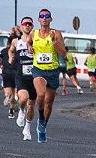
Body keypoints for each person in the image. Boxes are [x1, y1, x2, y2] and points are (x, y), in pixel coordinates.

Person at [30, 8, 71, 143]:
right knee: (40, 94)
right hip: (38, 69)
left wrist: (55, 42)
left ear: (51, 19)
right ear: (38, 19)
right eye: (42, 16)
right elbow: (29, 43)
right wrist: (29, 47)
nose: (44, 18)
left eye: (47, 16)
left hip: (53, 71)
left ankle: (42, 126)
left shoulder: (56, 34)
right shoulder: (34, 33)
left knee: (49, 102)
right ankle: (40, 117)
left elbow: (63, 54)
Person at [0, 27, 20, 117]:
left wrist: (2, 63)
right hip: (15, 72)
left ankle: (8, 97)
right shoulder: (18, 51)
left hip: (6, 73)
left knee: (8, 92)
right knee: (15, 93)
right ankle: (11, 110)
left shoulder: (3, 51)